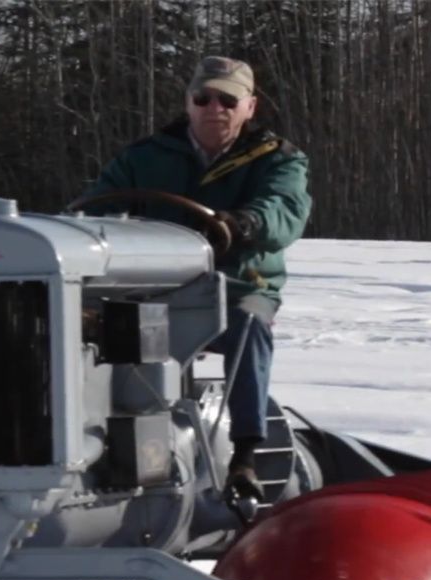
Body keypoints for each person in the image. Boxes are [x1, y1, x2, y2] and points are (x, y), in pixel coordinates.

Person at [78, 55, 312, 515]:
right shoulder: (145, 156)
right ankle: (86, 445)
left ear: (250, 106)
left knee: (247, 326)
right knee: (77, 325)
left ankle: (245, 454)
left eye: (227, 99)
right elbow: (94, 207)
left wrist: (243, 223)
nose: (214, 107)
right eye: (203, 97)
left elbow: (284, 212)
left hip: (238, 284)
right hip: (149, 288)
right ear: (188, 103)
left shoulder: (277, 160)